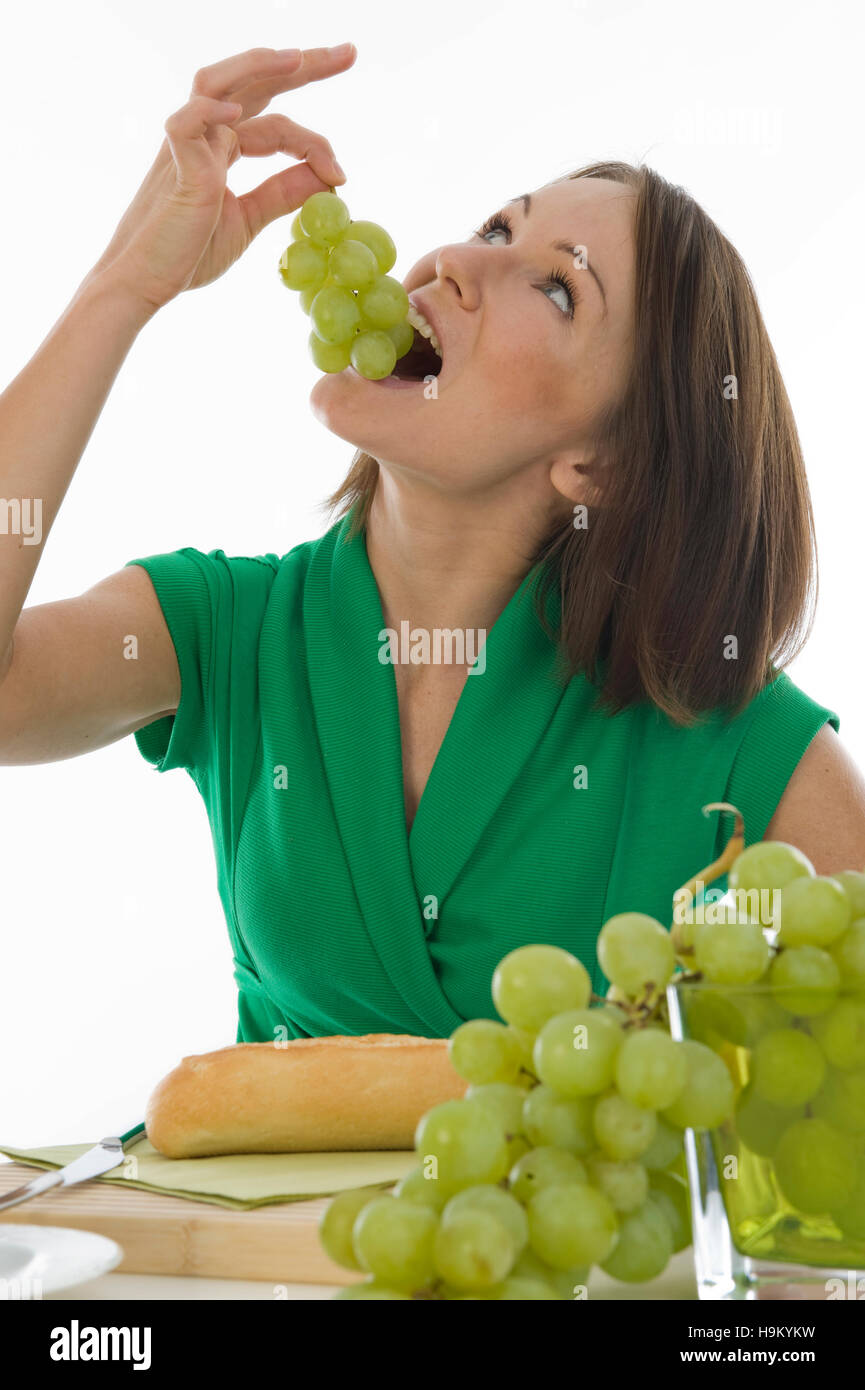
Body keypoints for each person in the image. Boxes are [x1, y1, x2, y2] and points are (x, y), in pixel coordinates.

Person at [2, 43, 864, 1045]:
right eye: (494, 225)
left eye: (556, 289)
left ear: (599, 467)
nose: (452, 260)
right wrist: (125, 286)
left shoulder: (740, 751)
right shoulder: (228, 631)